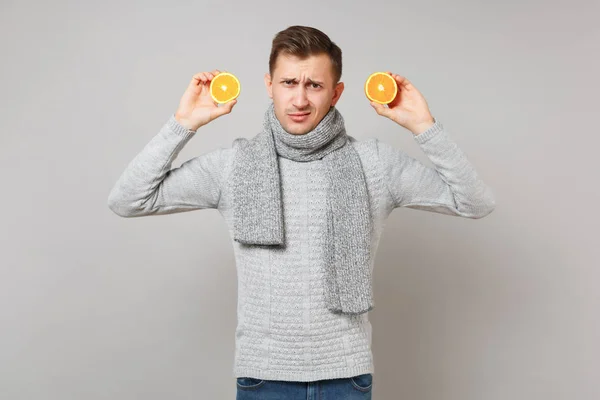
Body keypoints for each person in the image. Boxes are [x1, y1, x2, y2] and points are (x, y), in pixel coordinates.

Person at [107, 25, 495, 399]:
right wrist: (184, 124)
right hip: (263, 378)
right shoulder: (235, 166)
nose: (300, 99)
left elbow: (475, 202)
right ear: (269, 85)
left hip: (346, 376)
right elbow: (128, 199)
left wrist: (423, 126)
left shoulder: (373, 164)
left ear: (336, 92)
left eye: (314, 85)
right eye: (289, 83)